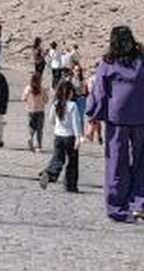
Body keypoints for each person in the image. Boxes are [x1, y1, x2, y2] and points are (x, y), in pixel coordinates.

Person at [86, 25, 144, 223]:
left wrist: (94, 116)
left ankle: (117, 206)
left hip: (117, 118)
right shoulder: (140, 60)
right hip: (140, 117)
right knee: (141, 161)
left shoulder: (108, 62)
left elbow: (100, 91)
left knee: (116, 161)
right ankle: (138, 203)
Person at [40, 79, 82, 192]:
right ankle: (70, 185)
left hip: (58, 136)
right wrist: (78, 137)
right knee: (72, 162)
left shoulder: (55, 104)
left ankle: (50, 173)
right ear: (70, 92)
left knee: (58, 158)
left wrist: (58, 126)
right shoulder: (72, 105)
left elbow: (51, 120)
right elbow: (76, 123)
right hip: (70, 137)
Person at [22, 72, 49, 152]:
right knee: (39, 129)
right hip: (40, 111)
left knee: (31, 127)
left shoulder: (28, 88)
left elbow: (23, 98)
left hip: (31, 111)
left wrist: (29, 101)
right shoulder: (42, 89)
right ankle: (38, 146)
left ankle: (30, 138)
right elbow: (46, 100)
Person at [69, 63, 88, 135]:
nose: (77, 72)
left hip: (81, 99)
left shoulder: (82, 80)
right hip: (72, 100)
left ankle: (81, 133)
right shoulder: (70, 80)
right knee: (72, 117)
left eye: (79, 70)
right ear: (73, 70)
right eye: (76, 70)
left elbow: (85, 91)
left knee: (80, 118)